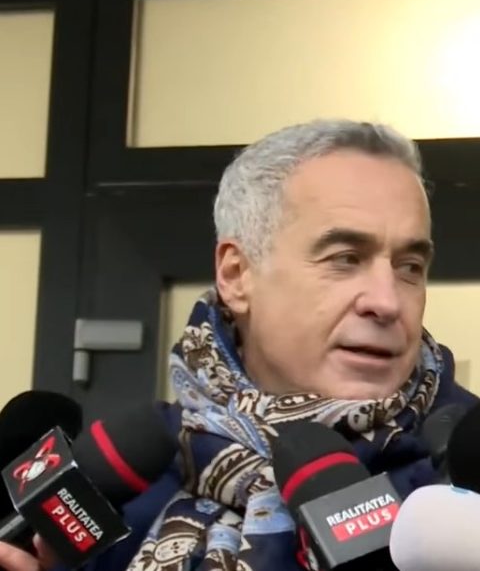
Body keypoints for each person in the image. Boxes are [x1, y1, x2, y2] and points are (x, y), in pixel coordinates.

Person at [0, 119, 476, 571]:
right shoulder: (130, 475)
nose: (387, 302)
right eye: (345, 258)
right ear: (236, 274)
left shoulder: (461, 492)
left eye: (410, 267)